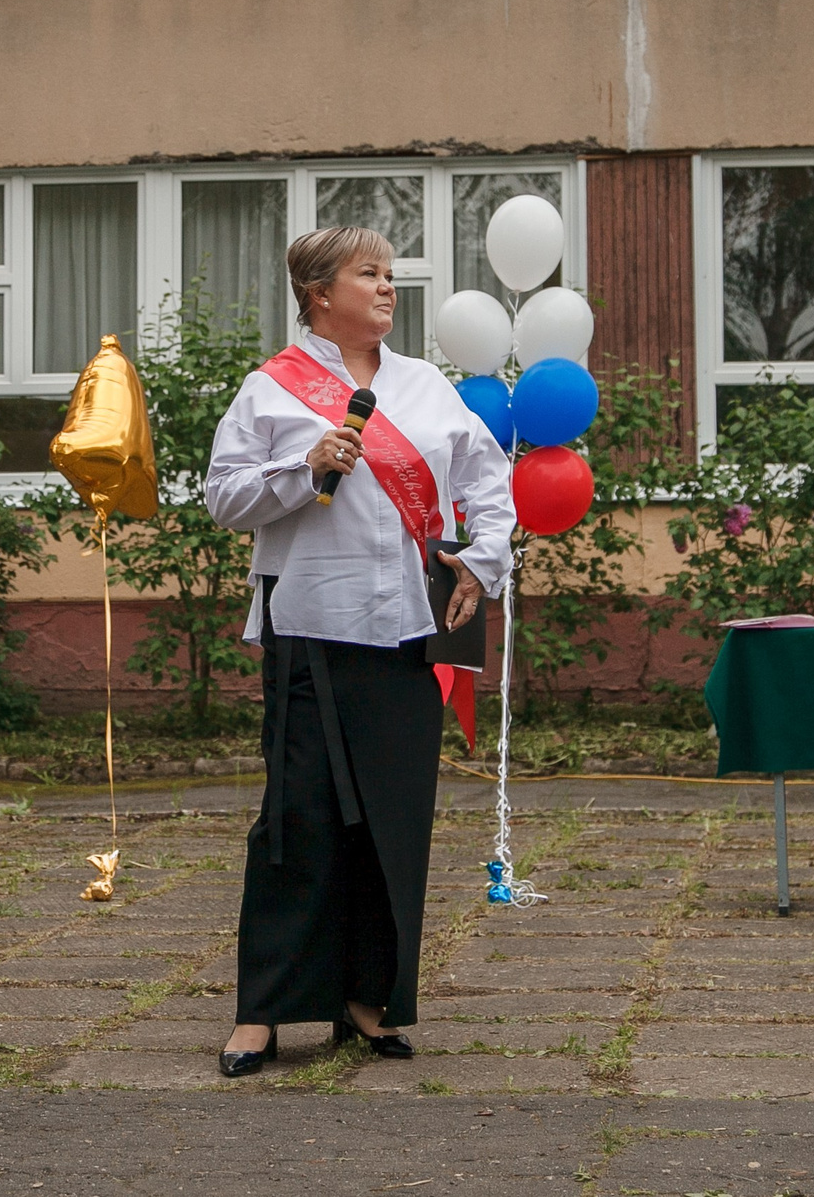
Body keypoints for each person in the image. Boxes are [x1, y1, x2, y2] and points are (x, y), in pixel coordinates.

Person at [204, 226, 515, 1078]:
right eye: (368, 274)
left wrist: (482, 564)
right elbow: (223, 497)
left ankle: (366, 1001)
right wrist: (303, 465)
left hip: (409, 631)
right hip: (308, 626)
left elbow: (488, 482)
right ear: (317, 292)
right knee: (295, 822)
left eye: (390, 274)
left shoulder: (424, 386)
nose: (387, 287)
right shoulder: (273, 388)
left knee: (395, 820)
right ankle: (262, 1010)